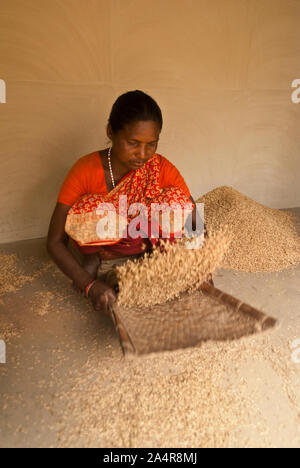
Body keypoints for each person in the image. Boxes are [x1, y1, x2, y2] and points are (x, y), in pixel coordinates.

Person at [47, 90, 205, 315]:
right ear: (110, 131)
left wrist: (200, 263)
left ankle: (157, 260)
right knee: (96, 208)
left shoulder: (160, 167)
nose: (142, 154)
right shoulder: (85, 170)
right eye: (133, 143)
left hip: (145, 242)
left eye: (151, 144)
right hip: (106, 249)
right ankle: (94, 260)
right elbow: (54, 241)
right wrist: (89, 285)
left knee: (177, 202)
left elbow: (195, 222)